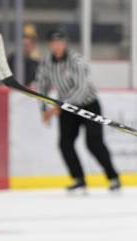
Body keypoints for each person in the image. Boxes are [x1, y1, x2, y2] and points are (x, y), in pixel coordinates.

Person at [36, 29, 120, 192]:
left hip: (88, 105)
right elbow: (42, 85)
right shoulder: (46, 63)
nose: (57, 46)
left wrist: (57, 107)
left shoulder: (77, 61)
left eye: (60, 42)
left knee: (93, 143)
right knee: (65, 144)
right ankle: (78, 178)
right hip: (66, 109)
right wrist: (43, 108)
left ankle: (113, 177)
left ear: (65, 43)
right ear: (50, 45)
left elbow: (81, 89)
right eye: (54, 43)